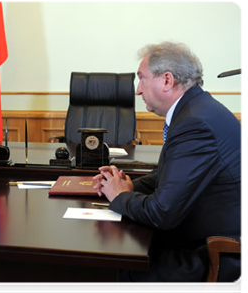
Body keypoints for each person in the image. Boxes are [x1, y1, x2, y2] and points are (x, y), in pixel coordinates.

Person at [94, 42, 244, 293]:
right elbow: (169, 175)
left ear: (166, 80)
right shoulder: (196, 110)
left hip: (217, 256)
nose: (137, 90)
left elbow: (161, 213)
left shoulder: (194, 123)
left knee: (117, 274)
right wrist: (124, 184)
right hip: (202, 239)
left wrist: (121, 196)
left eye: (141, 79)